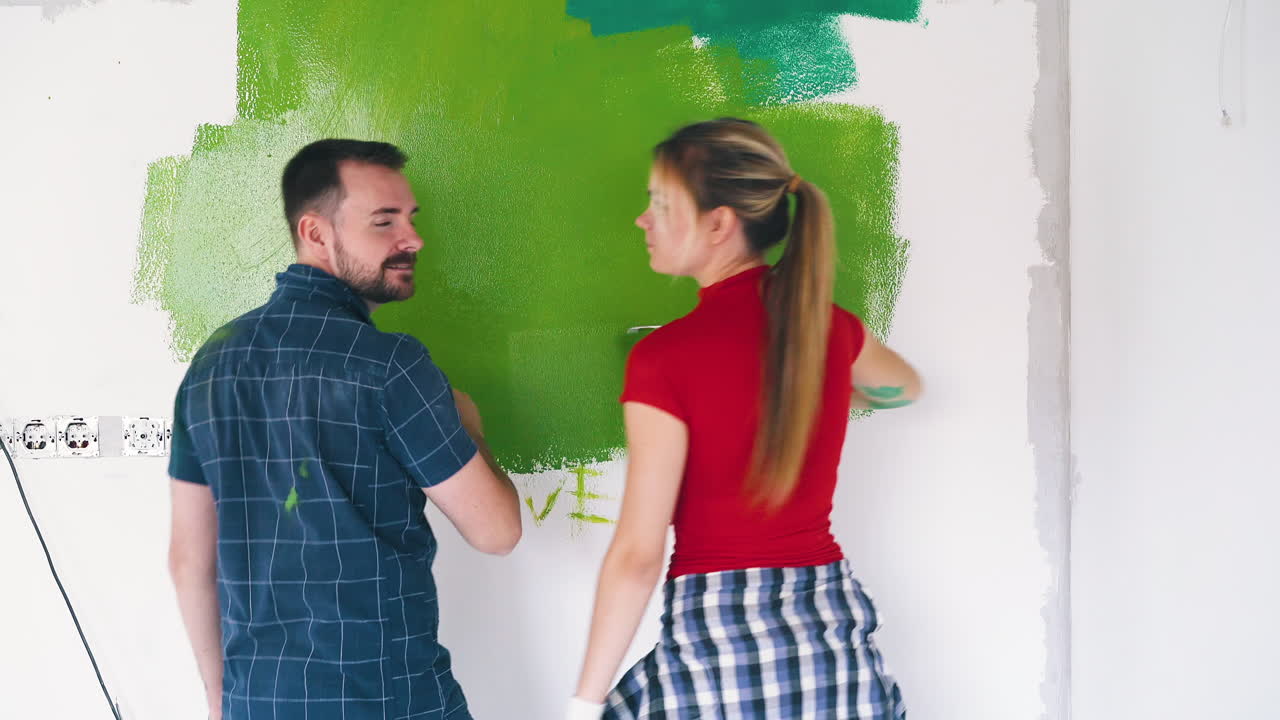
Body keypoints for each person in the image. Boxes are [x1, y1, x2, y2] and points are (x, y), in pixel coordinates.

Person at [570, 118, 921, 719]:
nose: (643, 219)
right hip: (829, 635)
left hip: (719, 638)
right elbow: (903, 389)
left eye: (660, 203)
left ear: (719, 223)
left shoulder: (663, 360)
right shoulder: (828, 331)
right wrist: (834, 386)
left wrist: (581, 705)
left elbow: (637, 555)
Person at [166, 139, 521, 720]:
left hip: (258, 702)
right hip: (387, 698)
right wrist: (468, 423)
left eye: (410, 218)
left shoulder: (212, 364)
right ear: (316, 233)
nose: (413, 239)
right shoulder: (391, 364)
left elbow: (188, 559)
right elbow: (498, 532)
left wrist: (219, 698)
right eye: (384, 221)